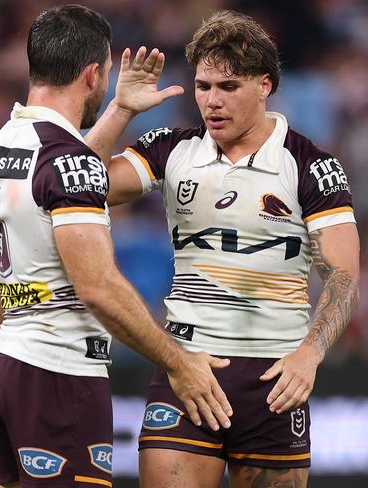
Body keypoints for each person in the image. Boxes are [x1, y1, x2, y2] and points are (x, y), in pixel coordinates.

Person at [91, 10, 360, 488]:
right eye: (202, 86)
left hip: (274, 379)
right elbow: (79, 187)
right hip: (187, 368)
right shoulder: (171, 149)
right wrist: (120, 111)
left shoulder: (309, 165)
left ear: (265, 85)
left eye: (228, 87)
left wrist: (310, 355)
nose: (212, 101)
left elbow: (343, 276)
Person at [0, 5, 233, 487]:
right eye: (107, 75)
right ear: (93, 75)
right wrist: (179, 364)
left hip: (4, 365)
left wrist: (121, 110)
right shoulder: (64, 161)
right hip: (59, 373)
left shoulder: (2, 144)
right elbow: (98, 287)